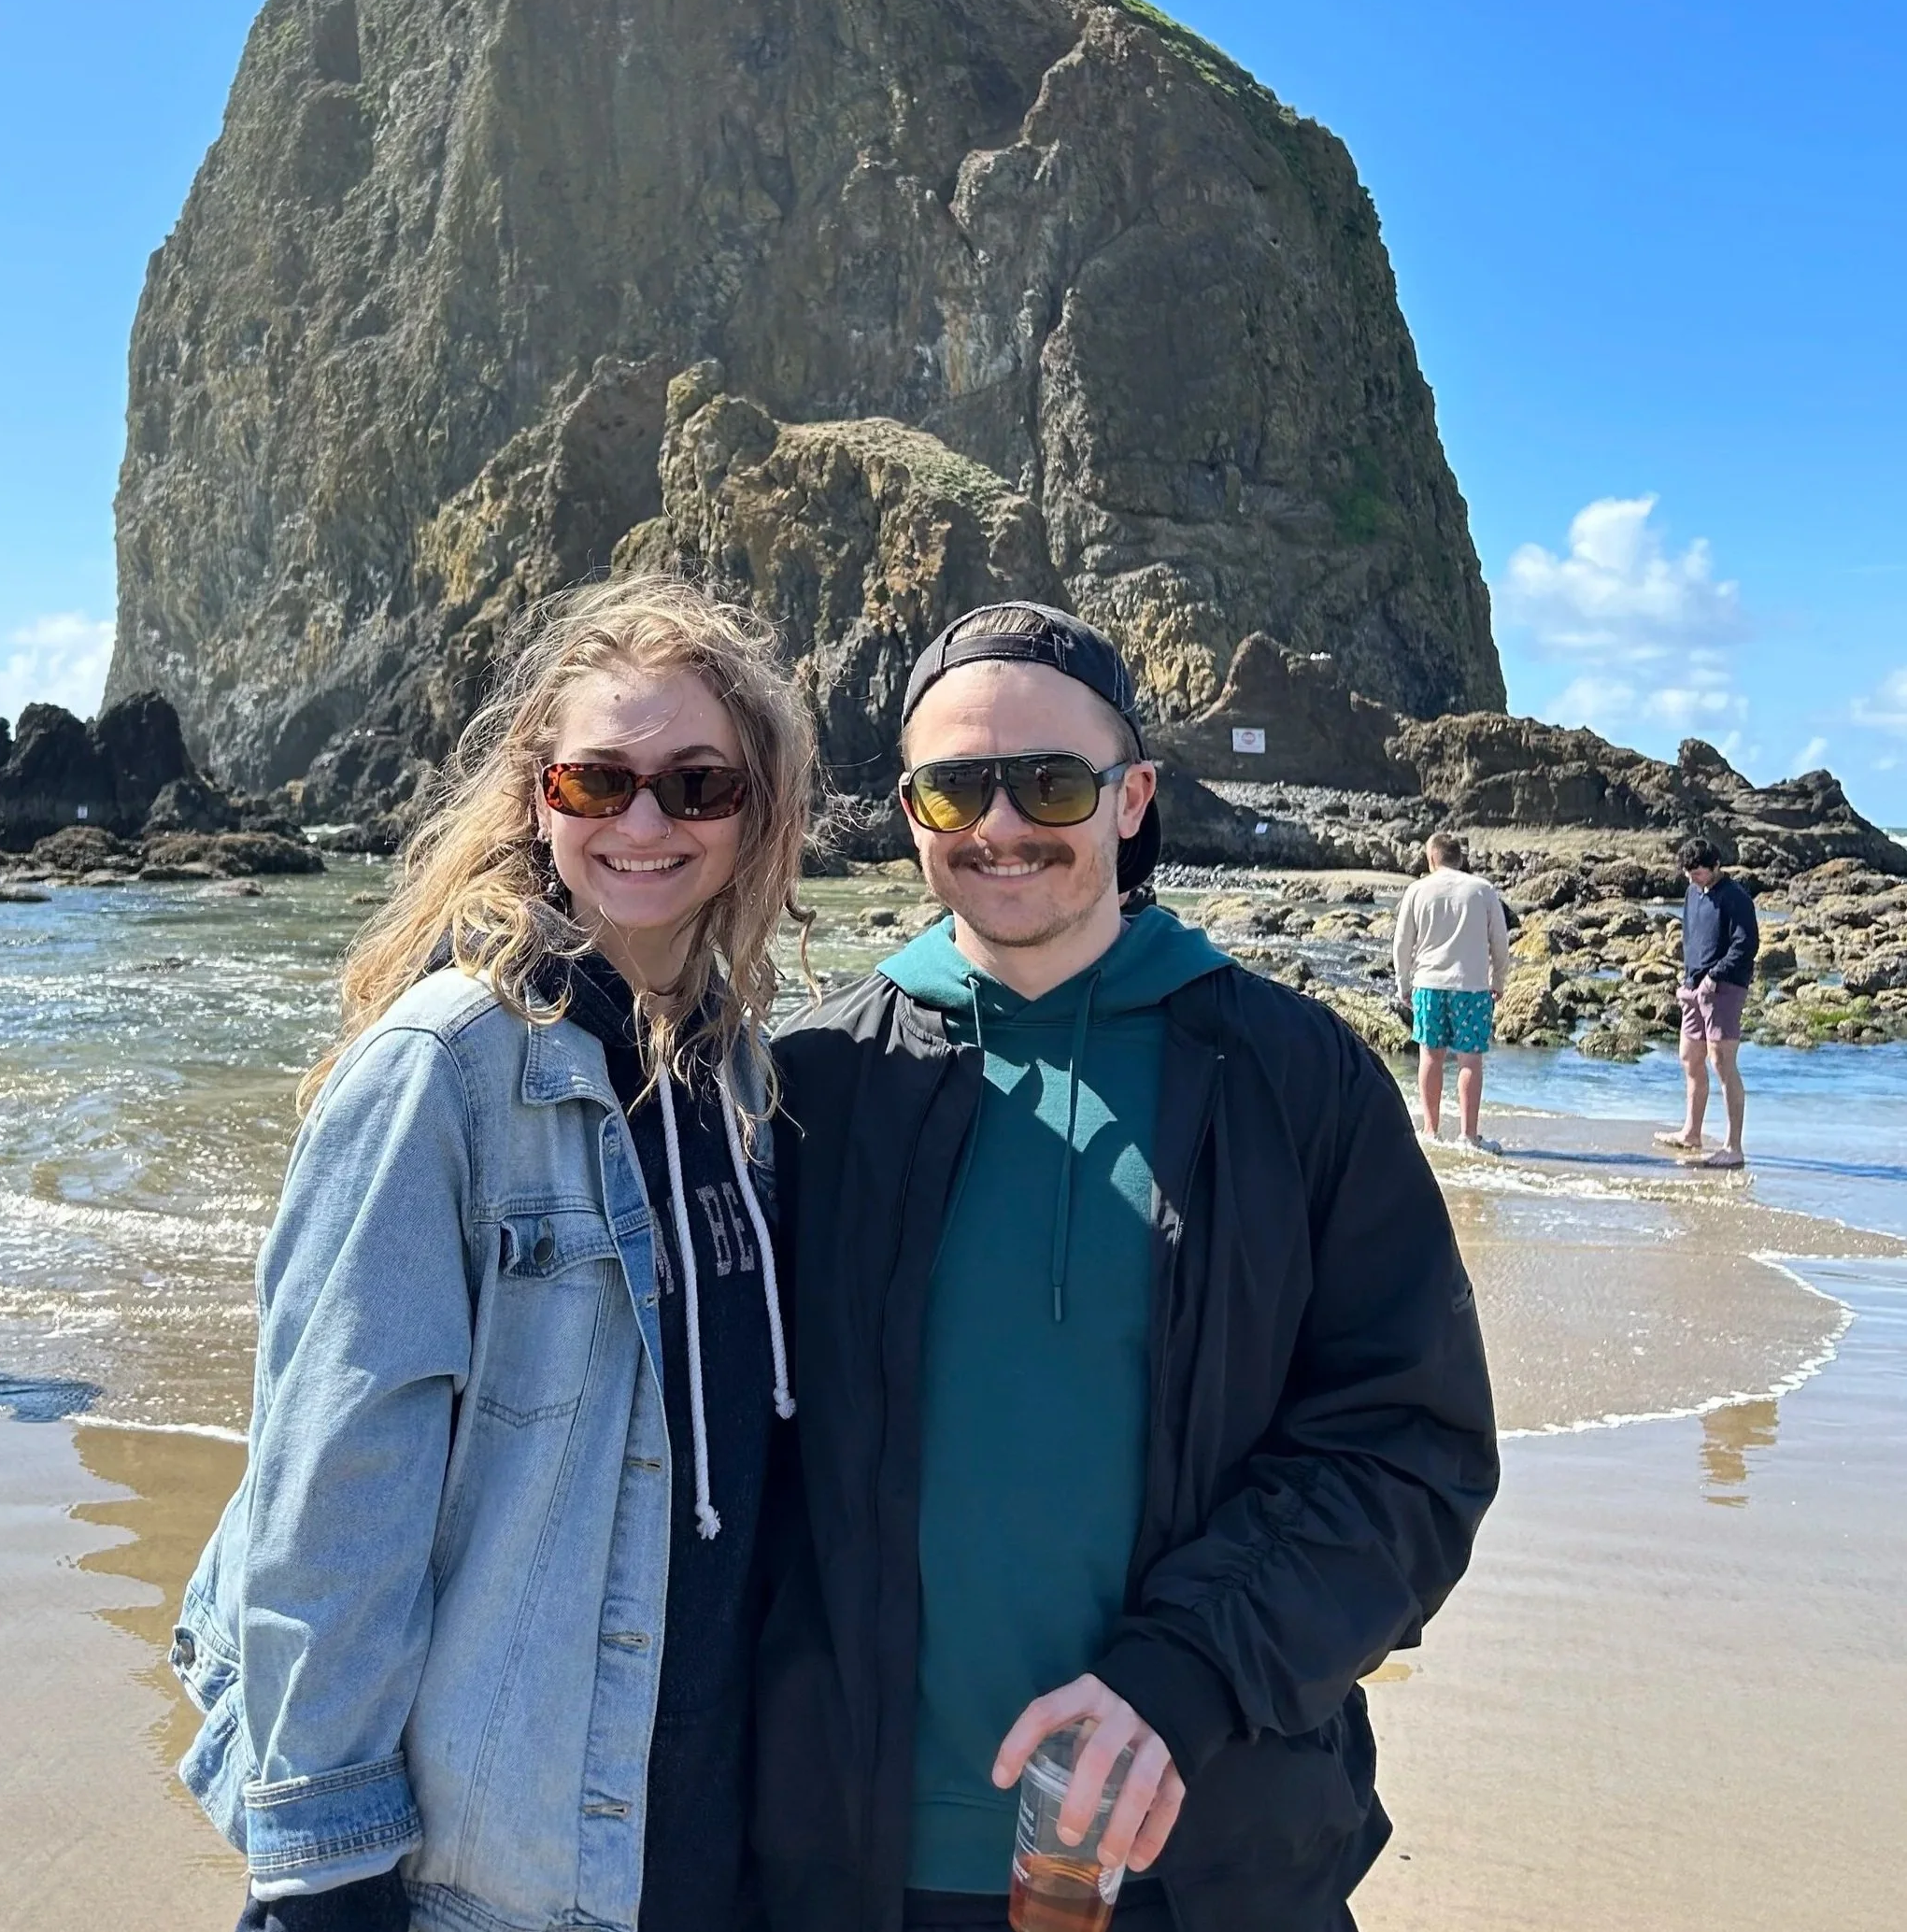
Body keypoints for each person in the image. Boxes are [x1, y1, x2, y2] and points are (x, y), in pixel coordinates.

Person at [755, 602, 1497, 1932]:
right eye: (951, 789)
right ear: (907, 810)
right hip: (855, 1858)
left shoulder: (1295, 1079)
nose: (999, 826)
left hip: (1213, 1851)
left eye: (1049, 782)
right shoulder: (812, 1082)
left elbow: (1408, 1450)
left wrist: (1183, 1678)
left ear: (1133, 795)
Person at [172, 575, 817, 1932]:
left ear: (754, 809)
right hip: (494, 1873)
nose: (643, 821)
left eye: (695, 785)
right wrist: (324, 1875)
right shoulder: (445, 1069)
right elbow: (330, 1495)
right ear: (539, 796)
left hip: (690, 1849)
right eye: (599, 780)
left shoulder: (741, 1081)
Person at [1391, 832, 1514, 1153]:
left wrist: (1403, 983)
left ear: (1432, 858)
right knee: (1470, 1059)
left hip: (1430, 984)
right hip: (1471, 987)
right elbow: (1500, 942)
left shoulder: (1417, 890)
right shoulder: (1482, 890)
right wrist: (1498, 979)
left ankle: (1430, 1131)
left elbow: (1403, 943)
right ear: (1459, 859)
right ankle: (1469, 1136)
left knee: (1431, 1056)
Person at [1656, 837, 1758, 1170]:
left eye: (1698, 873)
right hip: (1693, 986)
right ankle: (1691, 1132)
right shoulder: (1691, 892)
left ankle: (1733, 1147)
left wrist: (1715, 976)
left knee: (1722, 1062)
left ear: (1716, 867)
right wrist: (1688, 979)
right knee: (1689, 1057)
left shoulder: (1736, 897)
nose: (1693, 879)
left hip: (1725, 987)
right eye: (1689, 874)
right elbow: (1692, 938)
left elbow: (1746, 943)